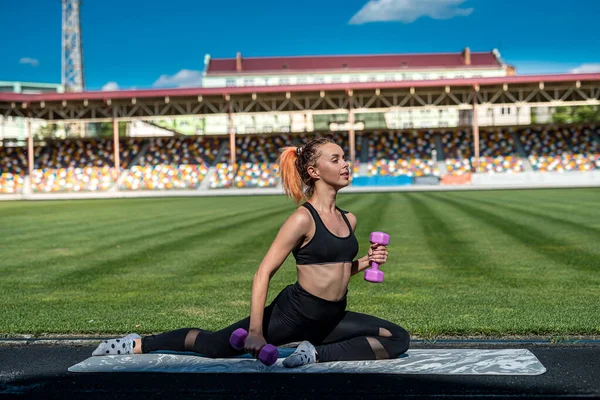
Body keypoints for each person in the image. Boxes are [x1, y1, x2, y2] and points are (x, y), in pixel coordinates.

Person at [92, 137, 410, 367]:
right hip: (293, 314)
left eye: (344, 158)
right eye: (336, 159)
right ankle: (138, 343)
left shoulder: (348, 219)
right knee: (215, 345)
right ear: (314, 172)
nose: (345, 164)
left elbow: (335, 271)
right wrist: (256, 333)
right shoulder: (302, 219)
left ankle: (313, 353)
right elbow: (263, 273)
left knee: (397, 338)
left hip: (331, 318)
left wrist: (365, 262)